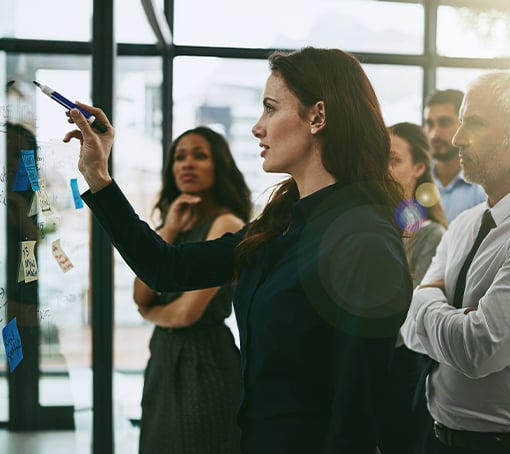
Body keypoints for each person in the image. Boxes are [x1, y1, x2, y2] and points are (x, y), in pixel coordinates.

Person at [63, 46, 412, 453]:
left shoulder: (363, 237)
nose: (257, 128)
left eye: (270, 108)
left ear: (318, 116)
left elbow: (358, 413)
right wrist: (98, 175)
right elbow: (165, 267)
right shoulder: (281, 222)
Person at [401, 70, 510, 454]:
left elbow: (477, 349)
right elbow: (411, 333)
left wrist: (425, 299)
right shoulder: (464, 223)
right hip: (436, 437)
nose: (456, 138)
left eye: (474, 123)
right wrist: (450, 315)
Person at [132, 126, 251, 454]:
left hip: (205, 360)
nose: (187, 164)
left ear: (219, 166)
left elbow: (186, 313)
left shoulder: (227, 224)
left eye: (200, 156)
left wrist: (152, 313)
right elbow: (140, 295)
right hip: (163, 358)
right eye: (180, 157)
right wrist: (169, 228)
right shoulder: (173, 221)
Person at [382, 122, 448, 454]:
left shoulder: (429, 234)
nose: (384, 169)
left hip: (403, 367)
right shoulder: (372, 225)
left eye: (393, 160)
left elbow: (414, 313)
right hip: (370, 363)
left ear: (418, 167)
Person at [424, 89, 485, 222]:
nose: (435, 134)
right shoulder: (417, 180)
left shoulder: (483, 188)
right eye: (429, 124)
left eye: (444, 123)